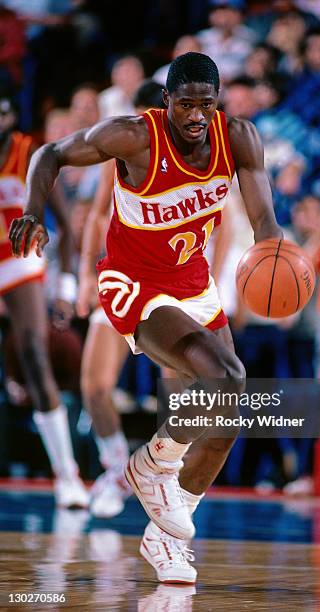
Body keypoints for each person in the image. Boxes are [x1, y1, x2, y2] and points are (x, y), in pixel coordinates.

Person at [9, 52, 282, 584]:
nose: (197, 114)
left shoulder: (241, 138)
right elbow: (48, 153)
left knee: (226, 415)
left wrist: (275, 255)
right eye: (186, 104)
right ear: (167, 101)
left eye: (207, 103)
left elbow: (264, 218)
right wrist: (33, 213)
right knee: (227, 376)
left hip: (192, 283)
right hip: (135, 284)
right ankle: (151, 461)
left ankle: (166, 536)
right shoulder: (134, 135)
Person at [76, 80, 166, 519]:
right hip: (122, 279)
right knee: (94, 386)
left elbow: (218, 227)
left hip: (172, 283)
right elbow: (95, 214)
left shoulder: (193, 158)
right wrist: (81, 278)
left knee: (178, 386)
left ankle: (168, 473)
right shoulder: (117, 154)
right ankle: (116, 468)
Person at [0, 91, 89, 508]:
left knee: (35, 353)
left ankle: (66, 473)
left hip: (19, 262)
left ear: (11, 116)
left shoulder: (29, 153)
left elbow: (68, 228)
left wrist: (66, 289)